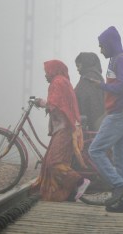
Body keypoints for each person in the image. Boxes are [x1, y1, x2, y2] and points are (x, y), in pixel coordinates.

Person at [87, 26, 123, 213]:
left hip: (119, 115)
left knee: (95, 150)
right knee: (120, 159)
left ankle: (120, 186)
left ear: (110, 44)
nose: (101, 50)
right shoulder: (118, 59)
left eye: (102, 46)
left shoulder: (120, 60)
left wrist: (101, 85)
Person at [30, 59, 90, 202]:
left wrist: (40, 102)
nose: (45, 75)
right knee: (53, 161)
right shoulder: (63, 81)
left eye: (47, 72)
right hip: (66, 127)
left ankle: (80, 182)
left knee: (54, 162)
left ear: (54, 70)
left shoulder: (57, 82)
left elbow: (54, 105)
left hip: (65, 128)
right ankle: (66, 194)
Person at [74, 52, 105, 131]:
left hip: (90, 124)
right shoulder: (95, 76)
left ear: (85, 64)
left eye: (78, 66)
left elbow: (91, 103)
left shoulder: (89, 78)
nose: (77, 69)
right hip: (96, 122)